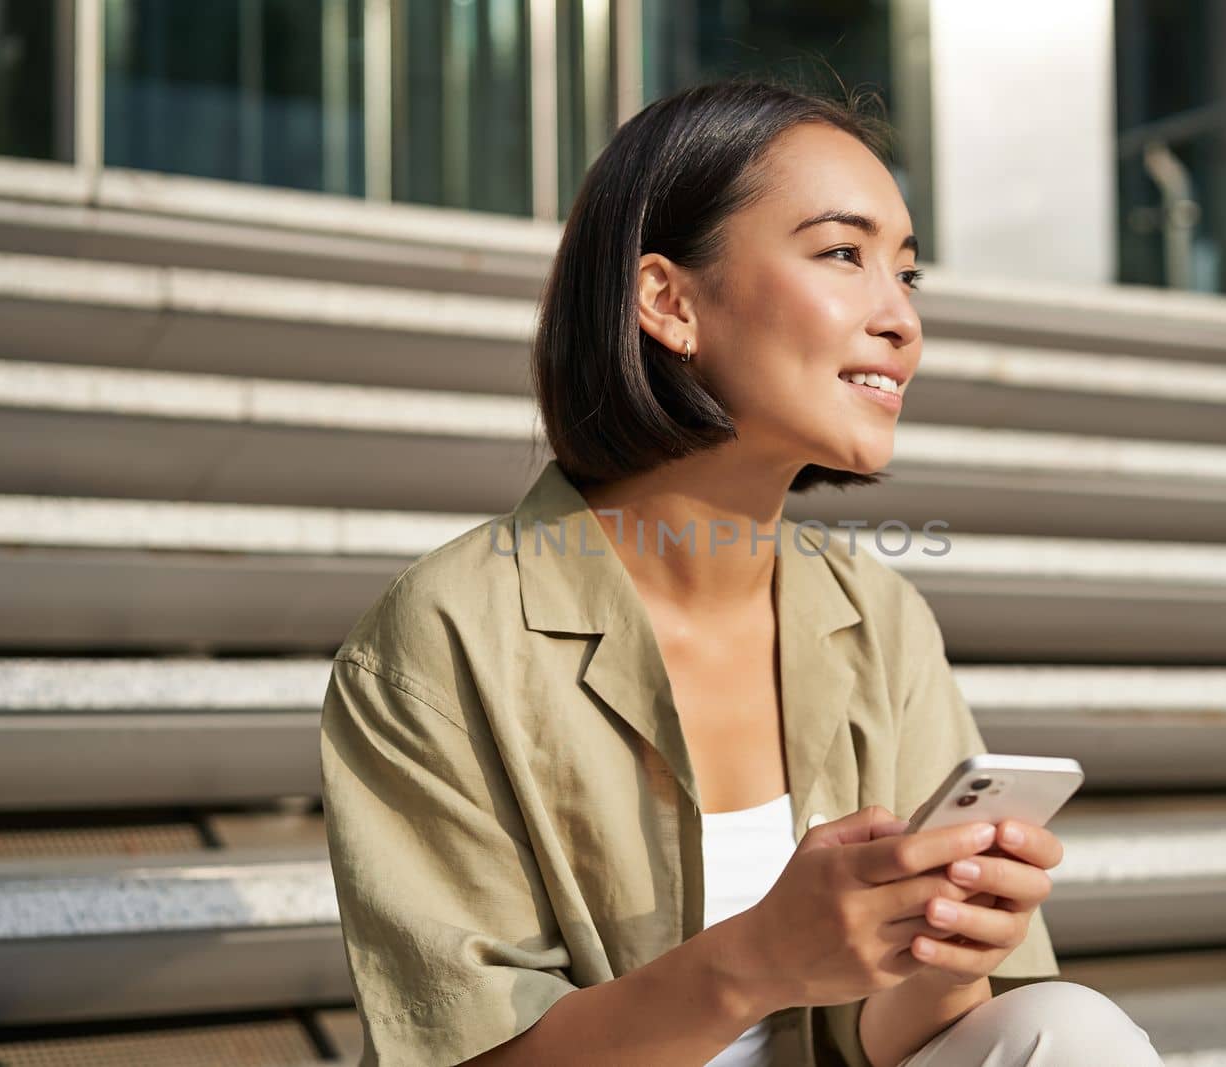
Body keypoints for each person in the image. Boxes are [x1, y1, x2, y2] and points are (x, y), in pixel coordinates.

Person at [319, 75, 1165, 1067]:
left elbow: (905, 1037)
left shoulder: (876, 615)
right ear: (669, 301)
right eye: (844, 254)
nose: (899, 318)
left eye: (907, 273)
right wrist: (758, 957)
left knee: (1067, 1029)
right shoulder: (449, 629)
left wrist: (942, 949)